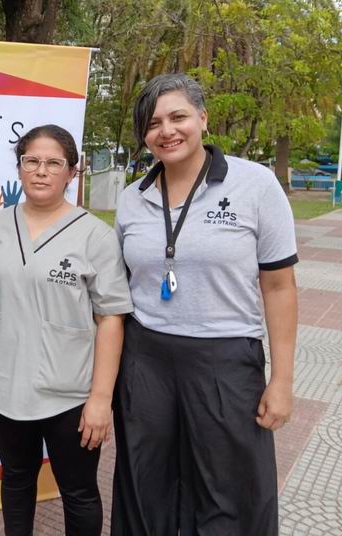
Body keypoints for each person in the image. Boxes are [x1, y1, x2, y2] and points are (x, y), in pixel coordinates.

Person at [111, 73, 298, 536]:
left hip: (225, 360)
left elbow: (278, 287)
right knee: (144, 483)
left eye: (178, 117)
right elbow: (119, 289)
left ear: (202, 117)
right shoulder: (132, 199)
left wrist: (283, 380)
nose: (167, 131)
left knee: (228, 492)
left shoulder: (255, 185)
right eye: (153, 123)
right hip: (146, 358)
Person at [0, 124, 133, 536]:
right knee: (16, 480)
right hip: (5, 387)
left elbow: (111, 318)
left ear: (72, 172)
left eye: (53, 163)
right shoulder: (0, 225)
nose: (41, 171)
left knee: (78, 492)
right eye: (32, 162)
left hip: (70, 394)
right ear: (20, 168)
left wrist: (100, 398)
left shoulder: (95, 235)